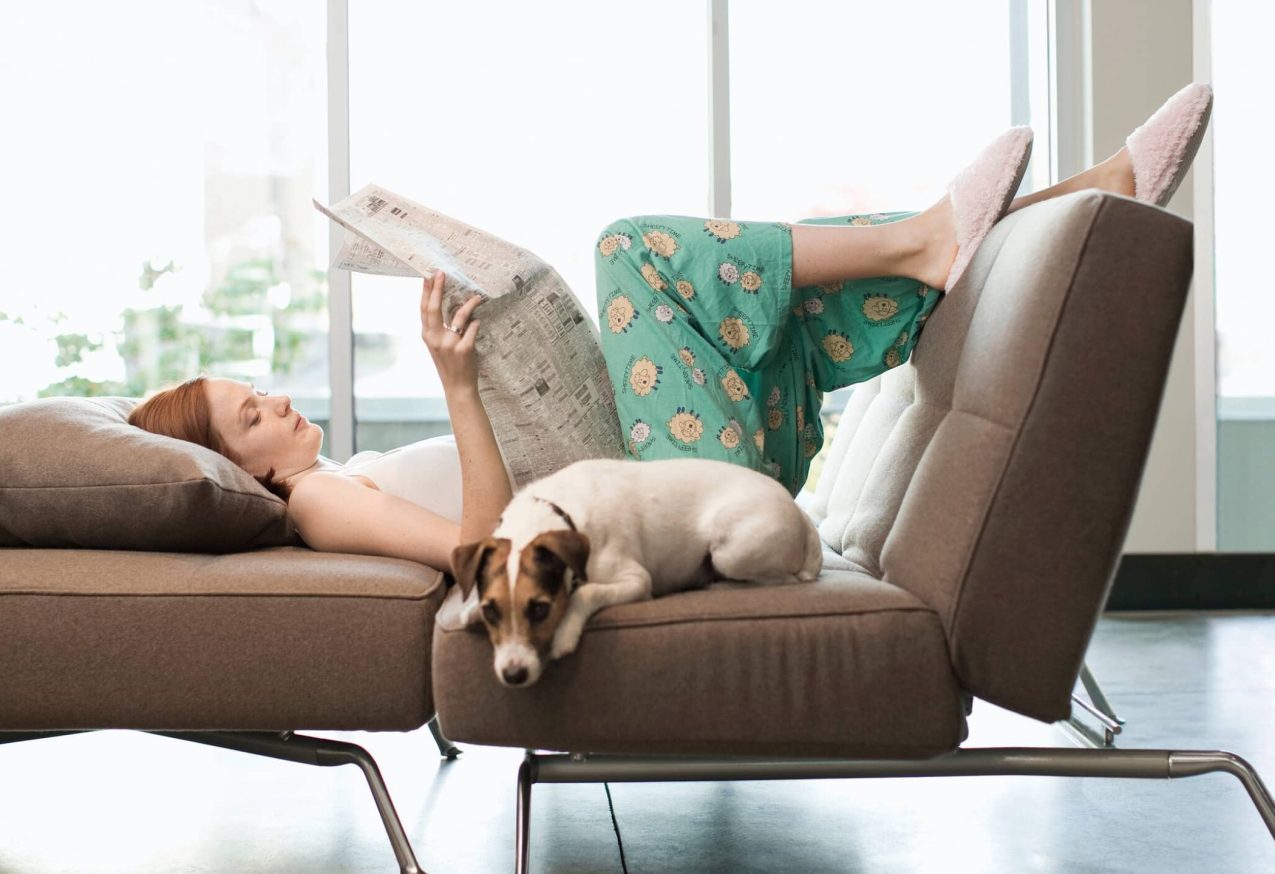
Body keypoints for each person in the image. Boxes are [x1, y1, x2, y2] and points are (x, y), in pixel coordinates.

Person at [126, 82, 1212, 567]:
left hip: (683, 470)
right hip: (669, 500)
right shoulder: (317, 503)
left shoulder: (341, 472)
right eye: (247, 412)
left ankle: (1068, 201)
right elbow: (472, 551)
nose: (271, 397)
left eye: (251, 388)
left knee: (782, 304)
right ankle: (937, 235)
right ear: (237, 464)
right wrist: (460, 385)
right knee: (630, 251)